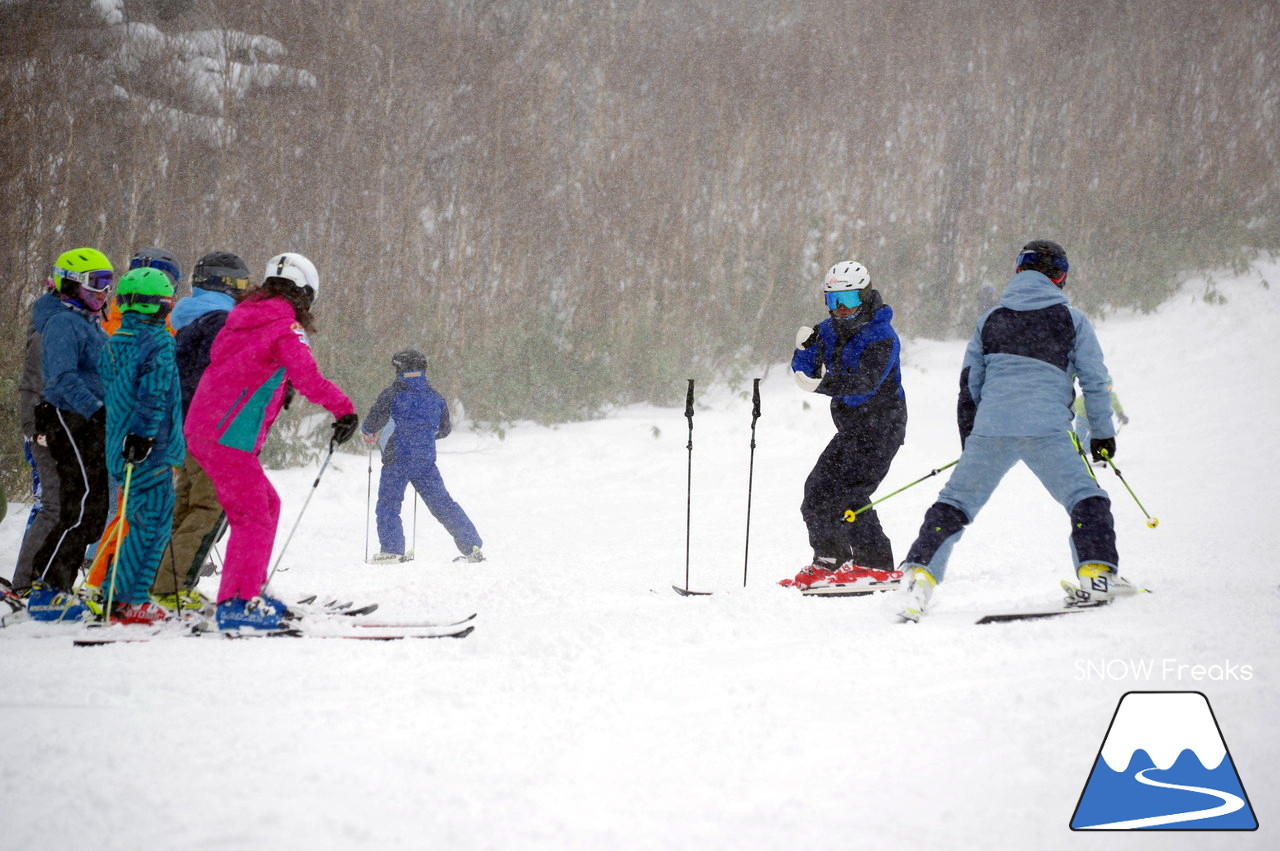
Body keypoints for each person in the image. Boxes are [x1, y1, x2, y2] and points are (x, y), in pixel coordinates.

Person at [893, 239, 1138, 622]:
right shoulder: (1072, 320)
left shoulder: (990, 319)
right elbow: (1095, 382)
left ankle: (917, 580)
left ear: (1019, 271)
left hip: (991, 428)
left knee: (954, 503)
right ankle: (1097, 574)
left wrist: (972, 438)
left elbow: (970, 384)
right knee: (1086, 497)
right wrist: (1102, 436)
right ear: (1060, 277)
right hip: (1046, 430)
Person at [184, 252, 358, 630]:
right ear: (305, 293)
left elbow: (232, 363)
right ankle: (238, 604)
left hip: (205, 427)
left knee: (266, 503)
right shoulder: (283, 326)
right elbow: (308, 376)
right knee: (252, 516)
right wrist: (345, 411)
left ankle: (248, 590)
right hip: (228, 435)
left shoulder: (240, 316)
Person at [782, 260, 907, 594]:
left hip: (883, 427)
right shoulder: (828, 329)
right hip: (851, 429)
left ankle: (875, 565)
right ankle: (830, 559)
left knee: (850, 495)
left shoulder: (881, 335)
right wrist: (803, 352)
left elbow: (864, 382)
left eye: (847, 300)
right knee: (817, 490)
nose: (839, 309)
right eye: (832, 300)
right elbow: (804, 371)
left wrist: (823, 384)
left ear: (864, 297)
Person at [151, 250, 252, 612]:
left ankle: (162, 581)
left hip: (186, 426)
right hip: (212, 428)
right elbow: (225, 378)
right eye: (239, 285)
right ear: (223, 284)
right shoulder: (222, 323)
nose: (244, 292)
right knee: (210, 506)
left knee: (188, 504)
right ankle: (170, 587)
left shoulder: (188, 320)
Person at [83, 246, 183, 597]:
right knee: (151, 526)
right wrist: (144, 436)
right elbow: (154, 394)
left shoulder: (114, 341)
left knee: (132, 520)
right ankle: (126, 596)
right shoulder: (159, 342)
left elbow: (115, 389)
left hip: (119, 447)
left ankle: (116, 590)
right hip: (150, 451)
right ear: (161, 304)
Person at [25, 248, 114, 621]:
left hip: (87, 420)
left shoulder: (87, 321)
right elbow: (61, 380)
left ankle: (56, 586)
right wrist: (98, 410)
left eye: (110, 283)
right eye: (97, 283)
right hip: (69, 418)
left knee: (92, 510)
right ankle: (47, 588)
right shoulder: (63, 322)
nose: (104, 292)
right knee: (80, 508)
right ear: (71, 283)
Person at [361, 349, 484, 564]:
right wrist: (421, 437)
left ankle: (392, 550)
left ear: (399, 368)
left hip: (396, 459)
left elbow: (371, 424)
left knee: (389, 504)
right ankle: (472, 547)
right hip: (425, 460)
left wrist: (368, 432)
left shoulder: (391, 395)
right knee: (444, 505)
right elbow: (444, 430)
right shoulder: (435, 397)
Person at [10, 278, 62, 599]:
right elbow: (32, 385)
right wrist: (35, 428)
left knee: (58, 506)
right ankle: (26, 578)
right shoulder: (48, 329)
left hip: (58, 429)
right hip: (45, 432)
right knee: (50, 506)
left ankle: (38, 573)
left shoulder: (60, 324)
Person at [1073, 374, 1128, 454]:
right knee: (1080, 434)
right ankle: (1074, 449)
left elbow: (1116, 405)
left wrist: (1121, 414)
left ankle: (1084, 451)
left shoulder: (1111, 396)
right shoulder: (1092, 395)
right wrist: (1071, 410)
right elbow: (1078, 403)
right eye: (1104, 388)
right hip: (1083, 418)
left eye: (1108, 387)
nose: (1106, 390)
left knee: (1094, 436)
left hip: (1096, 421)